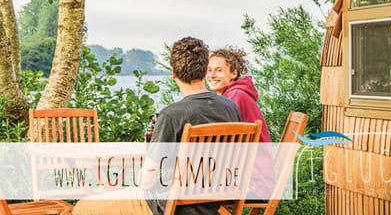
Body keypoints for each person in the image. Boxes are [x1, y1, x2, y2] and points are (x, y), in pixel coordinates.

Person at [73, 37, 242, 215]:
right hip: (213, 206)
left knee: (83, 208)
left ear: (174, 73)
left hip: (171, 208)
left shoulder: (172, 115)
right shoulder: (230, 108)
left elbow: (147, 179)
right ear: (204, 70)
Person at [206, 47, 274, 199]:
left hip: (254, 183)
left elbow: (224, 145)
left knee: (188, 191)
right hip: (254, 177)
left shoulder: (235, 97)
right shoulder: (233, 94)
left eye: (218, 70)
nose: (211, 75)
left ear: (234, 73)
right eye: (209, 70)